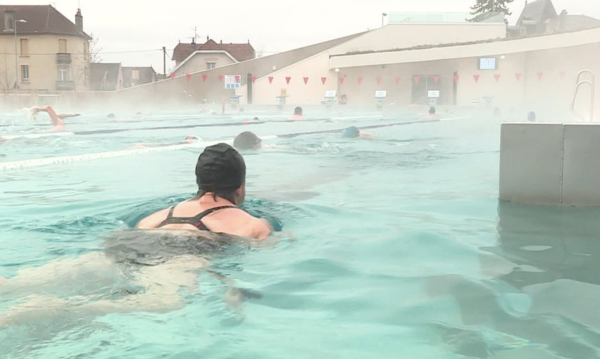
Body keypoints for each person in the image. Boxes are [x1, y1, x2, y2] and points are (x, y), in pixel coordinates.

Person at [137, 143, 272, 240]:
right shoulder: (255, 226)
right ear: (240, 187)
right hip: (201, 248)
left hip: (146, 242)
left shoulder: (150, 221)